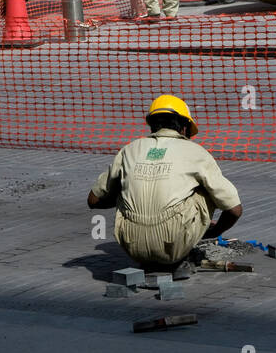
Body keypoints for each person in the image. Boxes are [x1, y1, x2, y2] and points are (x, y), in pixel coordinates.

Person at [87, 95, 242, 270]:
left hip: (132, 247)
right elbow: (235, 209)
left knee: (125, 188)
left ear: (152, 124)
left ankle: (149, 250)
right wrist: (214, 231)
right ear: (184, 128)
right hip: (174, 246)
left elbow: (93, 200)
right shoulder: (197, 153)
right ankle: (174, 249)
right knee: (206, 189)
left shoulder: (129, 150)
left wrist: (124, 196)